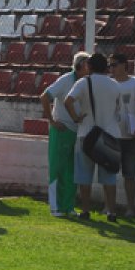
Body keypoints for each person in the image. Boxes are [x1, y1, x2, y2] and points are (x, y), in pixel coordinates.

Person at [63, 53, 123, 222]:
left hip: (87, 134)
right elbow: (118, 110)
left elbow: (68, 101)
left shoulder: (83, 82)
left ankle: (85, 210)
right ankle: (111, 211)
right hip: (110, 135)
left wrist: (76, 117)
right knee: (109, 176)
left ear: (89, 66)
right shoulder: (115, 85)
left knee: (84, 174)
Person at [41, 51, 89, 217]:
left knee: (72, 171)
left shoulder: (86, 82)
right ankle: (55, 207)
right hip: (62, 130)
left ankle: (68, 206)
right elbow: (45, 97)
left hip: (78, 131)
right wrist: (52, 121)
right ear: (80, 65)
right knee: (58, 168)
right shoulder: (65, 80)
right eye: (88, 63)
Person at [110, 53, 135, 218]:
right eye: (110, 65)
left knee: (129, 174)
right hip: (112, 135)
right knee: (109, 173)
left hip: (130, 137)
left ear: (125, 65)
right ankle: (109, 206)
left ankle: (130, 208)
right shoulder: (109, 85)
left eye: (115, 64)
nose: (112, 68)